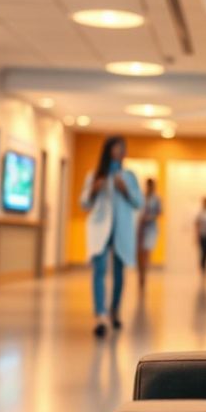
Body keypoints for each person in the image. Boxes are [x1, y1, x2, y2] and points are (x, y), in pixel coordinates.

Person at [80, 136, 142, 337]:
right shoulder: (95, 175)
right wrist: (93, 191)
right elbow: (84, 204)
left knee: (118, 273)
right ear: (108, 152)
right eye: (115, 149)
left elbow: (138, 202)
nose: (119, 153)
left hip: (121, 230)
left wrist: (125, 190)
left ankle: (114, 309)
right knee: (99, 270)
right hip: (100, 228)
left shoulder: (129, 176)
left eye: (122, 149)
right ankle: (100, 315)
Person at [137, 178, 162, 290]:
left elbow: (159, 212)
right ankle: (140, 273)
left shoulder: (157, 199)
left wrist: (149, 217)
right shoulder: (141, 196)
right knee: (139, 253)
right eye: (148, 185)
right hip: (140, 228)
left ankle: (144, 275)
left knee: (146, 252)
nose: (149, 187)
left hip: (151, 228)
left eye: (151, 186)